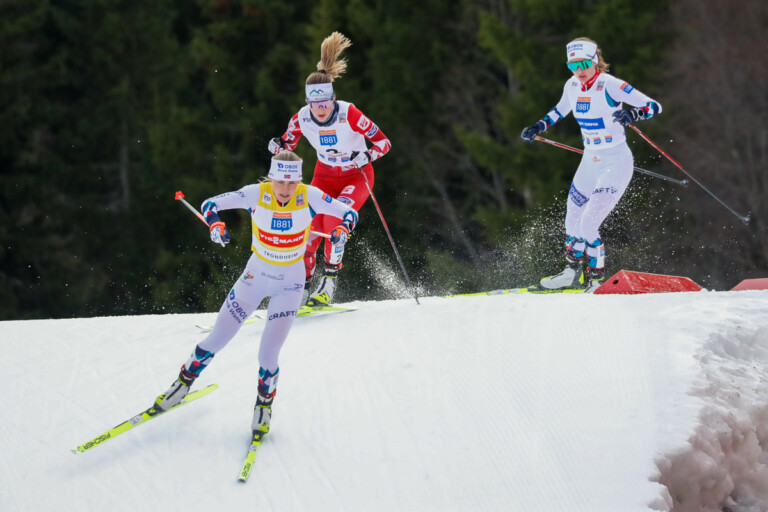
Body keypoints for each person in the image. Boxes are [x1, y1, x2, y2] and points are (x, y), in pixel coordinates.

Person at [154, 151, 358, 438]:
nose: (285, 190)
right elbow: (210, 204)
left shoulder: (310, 195)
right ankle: (182, 384)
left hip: (290, 284)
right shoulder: (255, 194)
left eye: (291, 183)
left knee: (268, 355)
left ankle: (264, 407)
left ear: (298, 181)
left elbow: (350, 213)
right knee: (217, 339)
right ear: (271, 177)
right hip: (254, 279)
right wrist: (215, 225)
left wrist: (342, 229)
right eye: (280, 182)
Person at [520, 37, 662, 292]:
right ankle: (571, 274)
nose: (579, 70)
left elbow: (654, 105)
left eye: (585, 63)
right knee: (572, 219)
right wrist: (538, 126)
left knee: (588, 224)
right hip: (590, 160)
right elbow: (559, 110)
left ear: (595, 60)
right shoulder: (572, 84)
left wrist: (634, 113)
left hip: (615, 161)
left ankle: (596, 281)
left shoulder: (611, 85)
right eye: (573, 65)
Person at [268, 32, 391, 306]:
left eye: (325, 104)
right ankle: (301, 288)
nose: (321, 110)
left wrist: (367, 155)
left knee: (335, 228)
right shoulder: (301, 117)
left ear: (333, 99)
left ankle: (329, 285)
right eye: (315, 105)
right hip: (324, 176)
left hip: (356, 176)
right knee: (309, 230)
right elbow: (286, 142)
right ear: (308, 103)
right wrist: (276, 145)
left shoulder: (349, 114)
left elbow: (384, 142)